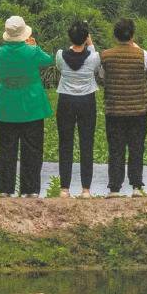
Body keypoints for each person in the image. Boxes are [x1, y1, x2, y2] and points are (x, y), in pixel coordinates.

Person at [0, 16, 54, 196]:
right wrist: (34, 46)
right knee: (33, 149)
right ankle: (31, 190)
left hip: (7, 104)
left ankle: (5, 189)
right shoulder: (33, 51)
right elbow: (48, 60)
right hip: (32, 105)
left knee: (6, 149)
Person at [98, 18, 147, 195]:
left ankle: (114, 188)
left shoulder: (106, 55)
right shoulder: (142, 54)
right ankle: (136, 186)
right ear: (132, 35)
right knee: (136, 148)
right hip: (138, 110)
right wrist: (137, 49)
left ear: (115, 35)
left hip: (114, 110)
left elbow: (102, 75)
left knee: (115, 149)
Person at [54, 21, 102, 196]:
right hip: (87, 100)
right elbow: (96, 66)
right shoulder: (94, 57)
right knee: (86, 143)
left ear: (70, 37)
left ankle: (64, 189)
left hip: (66, 100)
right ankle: (86, 189)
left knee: (65, 144)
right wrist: (91, 43)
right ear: (86, 37)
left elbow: (62, 66)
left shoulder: (60, 55)